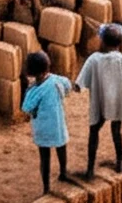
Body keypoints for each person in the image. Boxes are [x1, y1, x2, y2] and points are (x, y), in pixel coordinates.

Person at [74, 24, 122, 177]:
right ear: (120, 43)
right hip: (117, 100)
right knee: (116, 131)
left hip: (99, 101)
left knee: (94, 131)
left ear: (102, 41)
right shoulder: (121, 59)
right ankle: (120, 161)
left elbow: (78, 85)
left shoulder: (94, 59)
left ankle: (90, 170)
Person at [21, 51, 72, 195]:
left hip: (42, 129)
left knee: (45, 158)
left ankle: (46, 187)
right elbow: (68, 85)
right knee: (61, 149)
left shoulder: (35, 90)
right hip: (59, 125)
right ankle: (63, 173)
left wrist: (28, 89)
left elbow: (26, 107)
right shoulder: (56, 80)